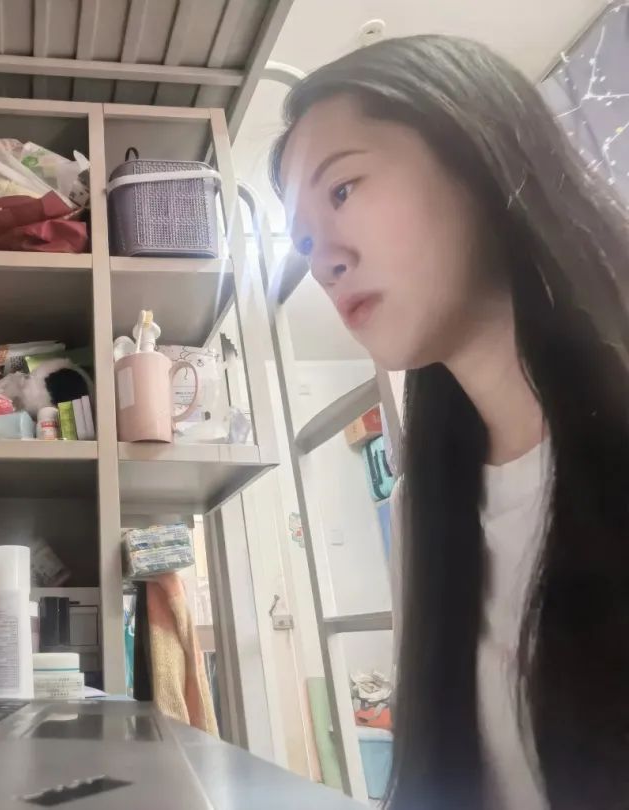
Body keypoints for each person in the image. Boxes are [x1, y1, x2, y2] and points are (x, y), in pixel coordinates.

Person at [271, 35, 629, 810]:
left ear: (474, 144)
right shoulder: (426, 505)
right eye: (303, 240)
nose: (323, 260)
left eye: (342, 191)